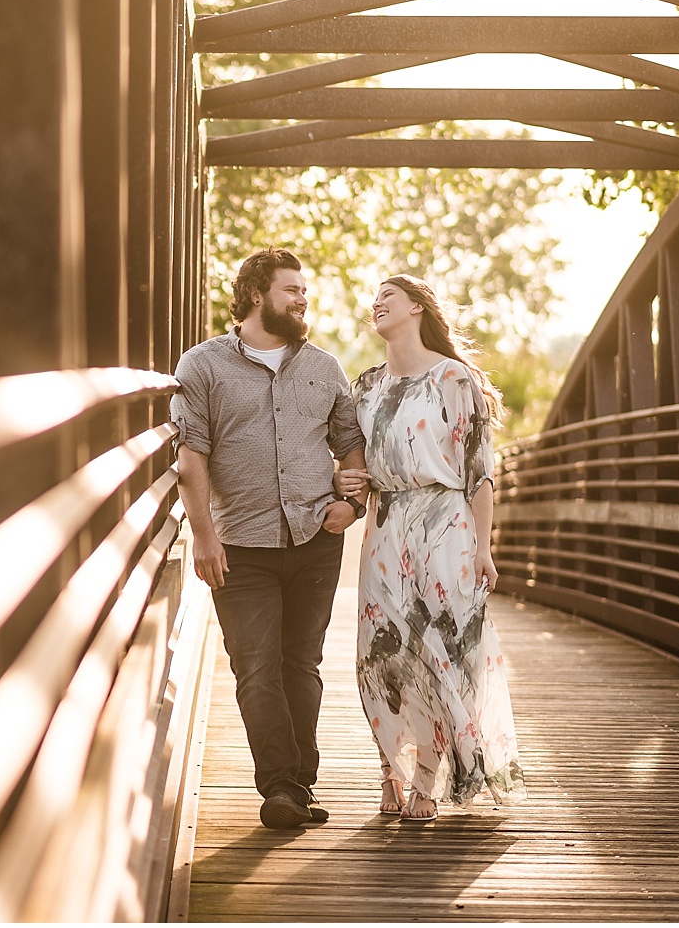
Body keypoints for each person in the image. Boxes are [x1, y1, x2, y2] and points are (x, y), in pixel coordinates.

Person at [171, 246, 367, 830]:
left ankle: (297, 785)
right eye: (291, 289)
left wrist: (350, 505)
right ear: (256, 295)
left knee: (300, 664)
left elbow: (349, 441)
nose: (302, 299)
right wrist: (203, 537)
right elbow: (191, 455)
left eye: (304, 291)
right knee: (256, 668)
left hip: (314, 538)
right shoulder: (203, 365)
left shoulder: (324, 368)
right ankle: (280, 786)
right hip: (241, 546)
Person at [336, 274, 528, 822]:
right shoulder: (366, 385)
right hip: (385, 527)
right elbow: (359, 463)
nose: (376, 304)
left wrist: (483, 549)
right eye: (374, 299)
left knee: (440, 651)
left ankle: (425, 781)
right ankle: (389, 773)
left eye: (387, 296)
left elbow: (479, 472)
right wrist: (348, 482)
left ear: (418, 308)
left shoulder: (454, 378)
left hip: (445, 528)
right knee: (383, 654)